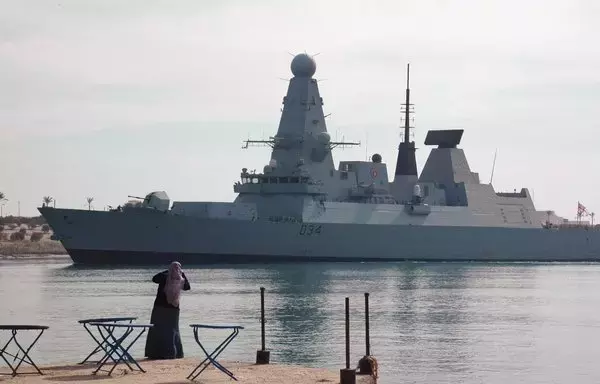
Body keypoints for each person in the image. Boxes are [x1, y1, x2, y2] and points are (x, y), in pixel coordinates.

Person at [144, 261, 191, 359]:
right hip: (173, 309)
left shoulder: (165, 276)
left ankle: (156, 353)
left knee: (158, 329)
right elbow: (187, 287)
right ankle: (173, 353)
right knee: (172, 331)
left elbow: (154, 278)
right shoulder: (180, 279)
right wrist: (182, 274)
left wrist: (167, 271)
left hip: (160, 308)